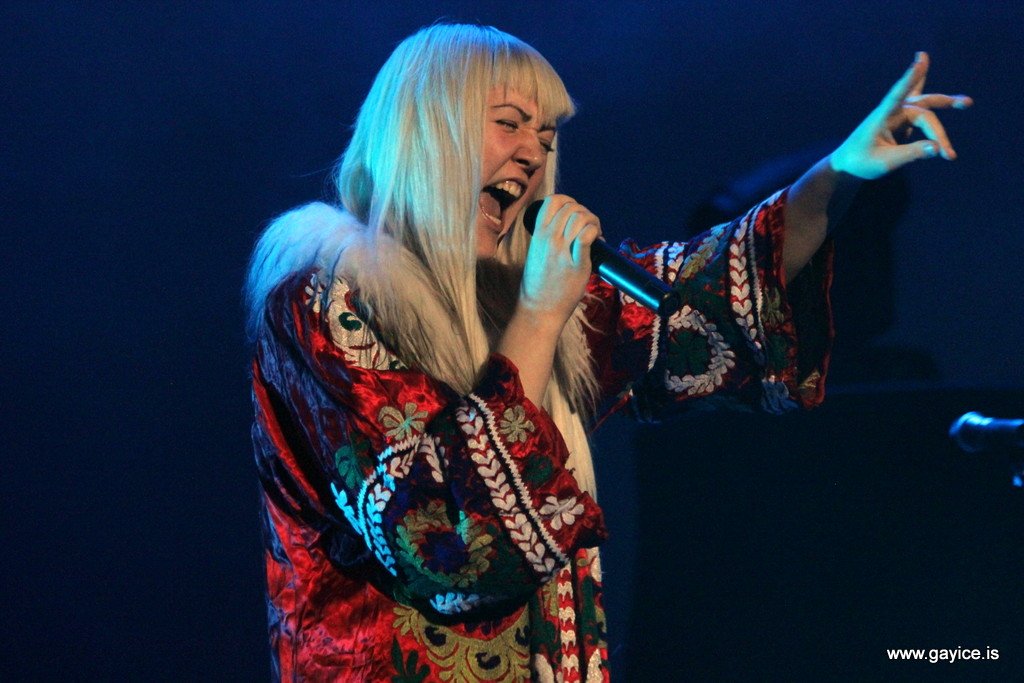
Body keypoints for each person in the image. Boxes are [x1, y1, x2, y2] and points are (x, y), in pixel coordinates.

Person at [244, 23, 970, 681]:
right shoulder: (327, 302)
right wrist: (538, 311)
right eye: (509, 124)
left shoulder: (532, 301)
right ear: (426, 131)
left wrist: (840, 172)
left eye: (548, 135)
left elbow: (709, 285)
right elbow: (449, 548)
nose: (533, 152)